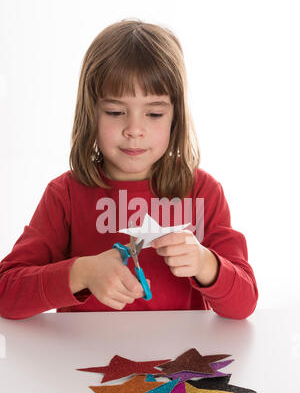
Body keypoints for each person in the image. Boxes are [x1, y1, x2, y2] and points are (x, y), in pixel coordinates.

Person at [0, 19, 258, 320]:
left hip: (175, 362)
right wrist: (80, 272)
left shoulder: (203, 191)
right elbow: (6, 294)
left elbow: (245, 304)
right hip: (81, 360)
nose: (134, 129)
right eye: (115, 112)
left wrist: (206, 264)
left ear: (175, 118)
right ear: (91, 113)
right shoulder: (65, 195)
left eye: (154, 113)